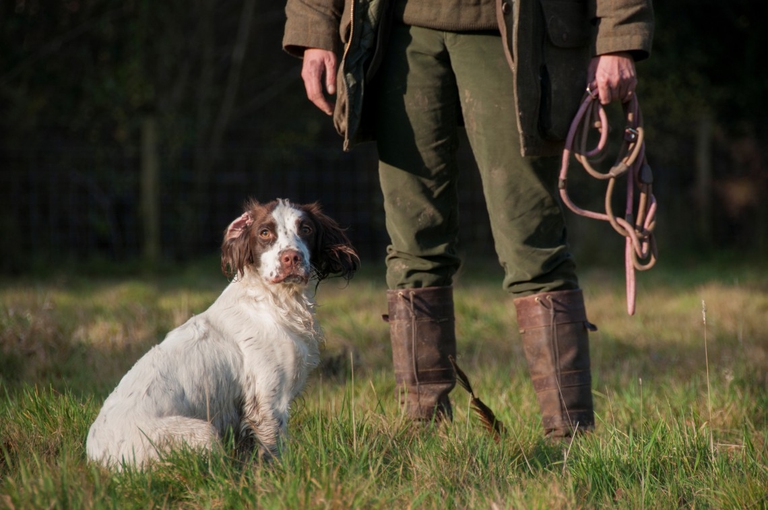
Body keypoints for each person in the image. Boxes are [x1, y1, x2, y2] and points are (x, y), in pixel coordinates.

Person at [283, 0, 653, 437]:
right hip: (398, 30)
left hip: (513, 31)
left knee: (532, 244)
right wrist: (315, 28)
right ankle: (425, 432)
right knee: (412, 243)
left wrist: (619, 37)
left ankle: (570, 437)